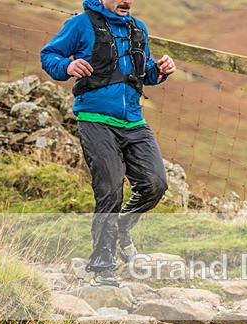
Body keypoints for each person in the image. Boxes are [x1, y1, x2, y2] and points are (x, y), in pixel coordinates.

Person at [41, 0, 176, 287]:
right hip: (95, 118)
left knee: (156, 184)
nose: (126, 0)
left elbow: (145, 73)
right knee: (110, 190)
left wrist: (161, 70)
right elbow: (49, 55)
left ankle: (123, 226)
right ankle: (103, 267)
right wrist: (68, 65)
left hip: (134, 121)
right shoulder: (80, 23)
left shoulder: (137, 27)